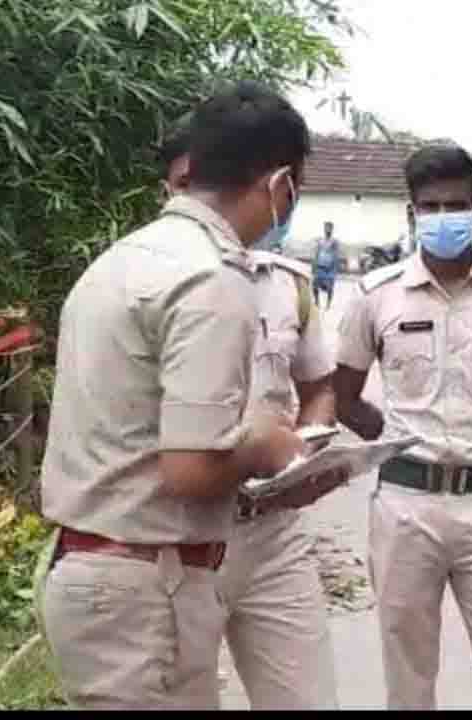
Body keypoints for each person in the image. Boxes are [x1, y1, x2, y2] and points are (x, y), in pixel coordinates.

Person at [36, 81, 342, 710]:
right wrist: (264, 443)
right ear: (281, 183)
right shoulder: (211, 278)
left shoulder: (121, 261)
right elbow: (191, 471)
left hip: (99, 568)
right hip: (146, 585)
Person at [333, 144, 472, 710]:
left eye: (455, 204)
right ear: (411, 213)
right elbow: (343, 397)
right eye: (429, 206)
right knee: (408, 671)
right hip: (405, 506)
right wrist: (400, 442)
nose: (442, 217)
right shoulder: (375, 297)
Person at [157, 118, 340, 710]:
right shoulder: (151, 280)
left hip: (275, 530)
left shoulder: (290, 284)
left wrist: (307, 451)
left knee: (305, 698)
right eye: (183, 182)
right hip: (180, 536)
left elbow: (319, 385)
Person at [312, 222, 340, 309]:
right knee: (315, 286)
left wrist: (335, 269)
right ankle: (317, 301)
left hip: (330, 268)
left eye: (329, 228)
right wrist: (314, 266)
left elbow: (336, 255)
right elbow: (316, 253)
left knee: (330, 288)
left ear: (332, 229)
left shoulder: (334, 242)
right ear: (324, 229)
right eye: (326, 228)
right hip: (320, 266)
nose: (327, 230)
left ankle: (328, 304)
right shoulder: (320, 241)